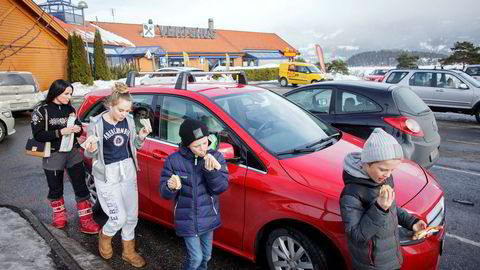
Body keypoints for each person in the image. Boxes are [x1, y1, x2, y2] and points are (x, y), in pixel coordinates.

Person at [339, 128, 427, 270]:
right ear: (366, 163)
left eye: (392, 170)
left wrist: (412, 222)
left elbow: (391, 207)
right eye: (383, 169)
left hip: (392, 257)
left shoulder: (383, 180)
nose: (387, 175)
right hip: (371, 264)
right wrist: (379, 208)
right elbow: (356, 236)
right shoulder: (351, 194)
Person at [84, 82, 151, 268]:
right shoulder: (96, 124)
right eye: (121, 110)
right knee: (118, 218)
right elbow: (89, 153)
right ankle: (105, 236)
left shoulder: (129, 121)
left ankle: (128, 252)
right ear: (110, 105)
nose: (124, 114)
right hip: (107, 174)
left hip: (127, 169)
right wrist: (90, 149)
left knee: (131, 216)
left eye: (128, 110)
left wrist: (141, 137)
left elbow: (134, 147)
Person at [31, 79, 100, 234]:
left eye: (70, 93)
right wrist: (60, 132)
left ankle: (86, 220)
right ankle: (59, 216)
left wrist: (77, 129)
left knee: (81, 186)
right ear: (56, 92)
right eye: (66, 93)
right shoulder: (42, 110)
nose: (69, 97)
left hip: (73, 153)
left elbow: (79, 130)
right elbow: (38, 135)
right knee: (55, 188)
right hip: (53, 154)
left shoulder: (70, 109)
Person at [160, 118, 228, 270]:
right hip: (187, 219)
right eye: (197, 146)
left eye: (205, 142)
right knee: (196, 259)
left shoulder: (216, 157)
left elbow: (221, 187)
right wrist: (170, 186)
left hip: (208, 216)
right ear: (187, 144)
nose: (203, 148)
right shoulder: (173, 161)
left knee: (206, 257)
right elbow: (164, 193)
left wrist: (211, 172)